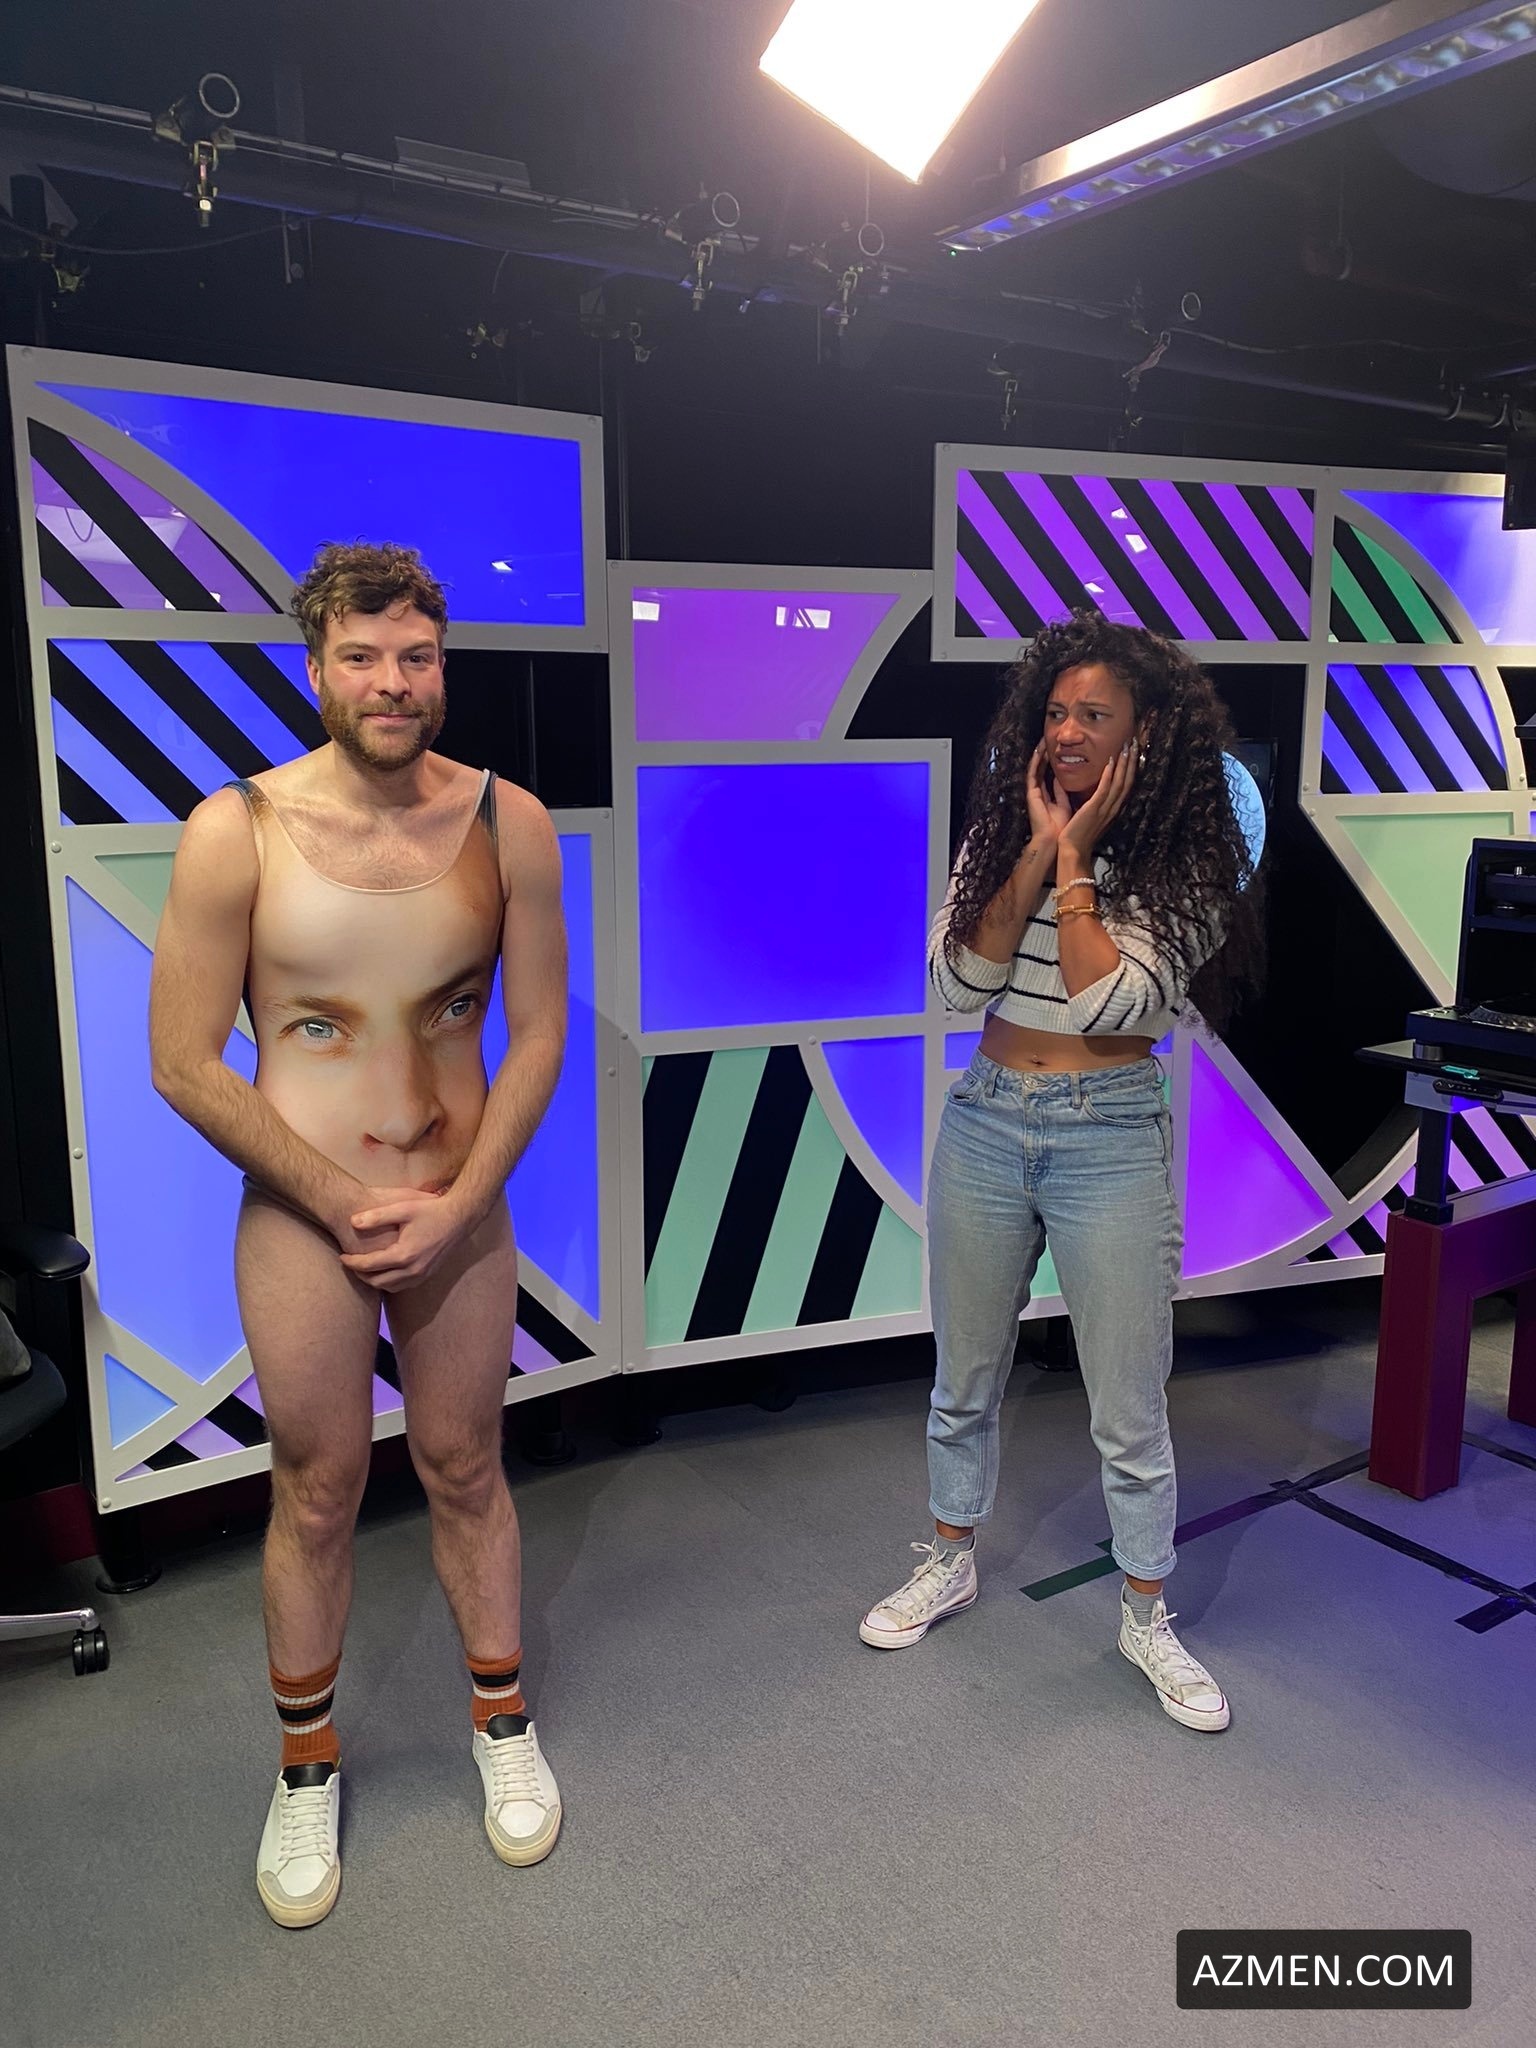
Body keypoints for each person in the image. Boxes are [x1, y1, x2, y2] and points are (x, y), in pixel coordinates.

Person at [150, 542, 568, 1925]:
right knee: (317, 1486)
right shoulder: (236, 829)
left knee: (465, 1463)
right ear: (316, 668)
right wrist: (340, 1202)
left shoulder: (509, 822)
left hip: (460, 1208)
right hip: (302, 1213)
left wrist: (457, 1204)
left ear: (442, 667)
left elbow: (537, 1036)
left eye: (417, 657)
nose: (393, 681)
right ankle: (307, 1764)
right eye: (363, 656)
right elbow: (184, 1060)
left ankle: (502, 1724)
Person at [858, 613, 1262, 1731]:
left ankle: (1146, 1614)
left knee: (1128, 1406)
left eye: (1095, 715)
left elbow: (1113, 1003)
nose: (1069, 732)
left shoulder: (1192, 856)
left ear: (1147, 733)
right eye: (1056, 712)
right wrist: (1037, 848)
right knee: (963, 1377)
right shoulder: (1003, 832)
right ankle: (949, 1557)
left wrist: (1079, 862)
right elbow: (954, 986)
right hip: (987, 1118)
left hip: (1110, 1130)